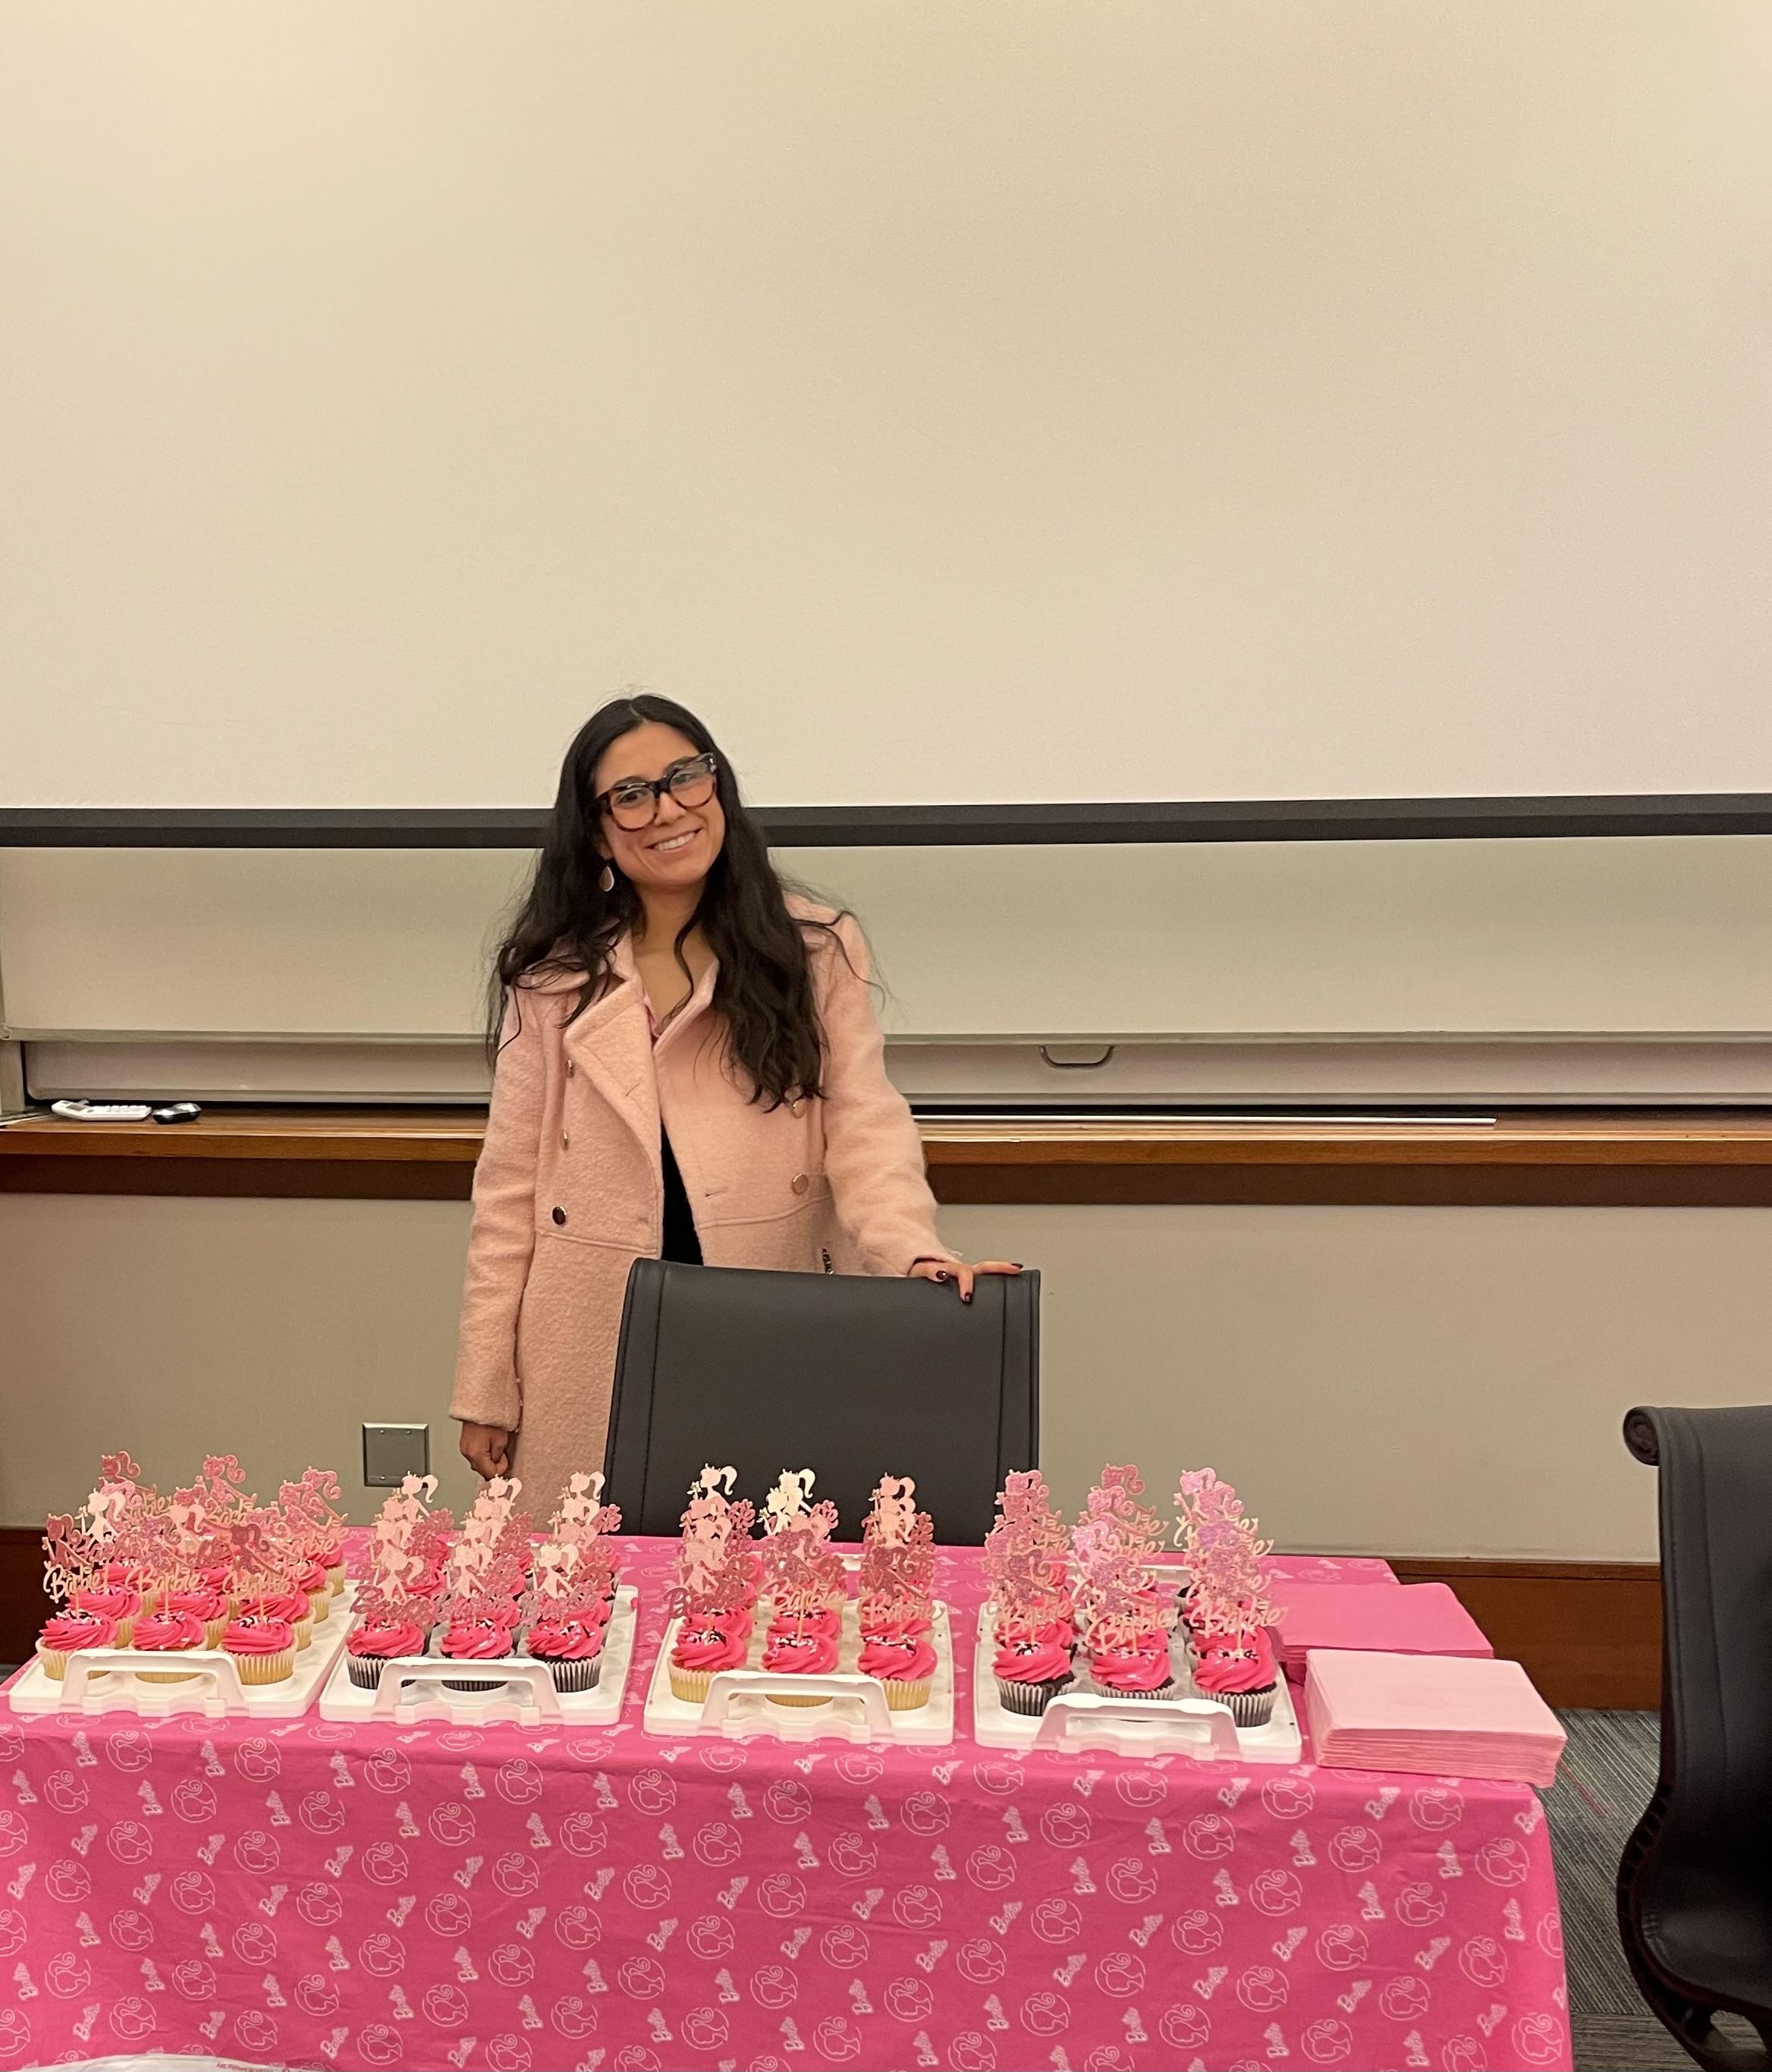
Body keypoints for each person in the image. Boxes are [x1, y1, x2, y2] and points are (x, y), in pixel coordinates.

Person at [451, 692, 1020, 1504]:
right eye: (630, 795)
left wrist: (909, 1250)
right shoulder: (552, 974)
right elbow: (508, 1188)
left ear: (717, 787)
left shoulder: (812, 946)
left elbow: (863, 1122)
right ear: (595, 829)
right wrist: (484, 1386)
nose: (668, 810)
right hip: (589, 1331)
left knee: (769, 1584)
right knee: (594, 1597)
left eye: (687, 777)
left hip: (765, 1308)